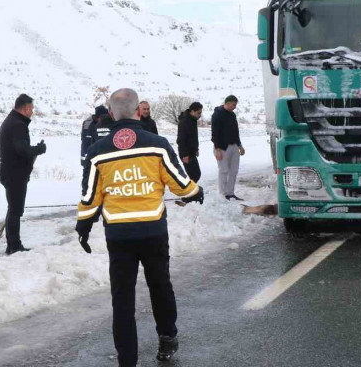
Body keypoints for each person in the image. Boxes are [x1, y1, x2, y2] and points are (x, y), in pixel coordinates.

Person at [77, 88, 204, 367]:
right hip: (153, 231)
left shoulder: (97, 152)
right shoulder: (157, 144)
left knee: (122, 299)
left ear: (111, 114)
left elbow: (90, 196)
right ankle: (167, 339)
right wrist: (196, 191)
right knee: (160, 286)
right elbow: (180, 185)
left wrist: (83, 225)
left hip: (119, 235)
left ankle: (127, 360)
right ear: (138, 111)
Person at [0, 94, 46, 255]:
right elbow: (22, 150)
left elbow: (20, 147)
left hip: (11, 171)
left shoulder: (12, 121)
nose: (32, 112)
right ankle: (14, 246)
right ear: (26, 108)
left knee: (14, 208)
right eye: (31, 108)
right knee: (15, 210)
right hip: (14, 173)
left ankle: (12, 244)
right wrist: (39, 149)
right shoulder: (17, 124)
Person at [211, 95, 245, 200]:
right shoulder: (217, 114)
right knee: (224, 170)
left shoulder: (232, 115)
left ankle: (230, 193)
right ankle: (223, 194)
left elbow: (236, 132)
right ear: (228, 103)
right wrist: (217, 149)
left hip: (234, 145)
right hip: (222, 147)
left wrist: (240, 145)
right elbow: (215, 133)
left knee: (234, 170)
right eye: (234, 105)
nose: (235, 107)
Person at [176, 102, 203, 182]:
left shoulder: (193, 120)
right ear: (192, 111)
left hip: (192, 152)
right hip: (186, 153)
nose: (200, 115)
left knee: (196, 175)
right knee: (194, 176)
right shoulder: (184, 121)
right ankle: (189, 192)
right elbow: (181, 139)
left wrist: (196, 149)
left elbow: (193, 137)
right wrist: (185, 155)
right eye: (199, 113)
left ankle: (191, 192)